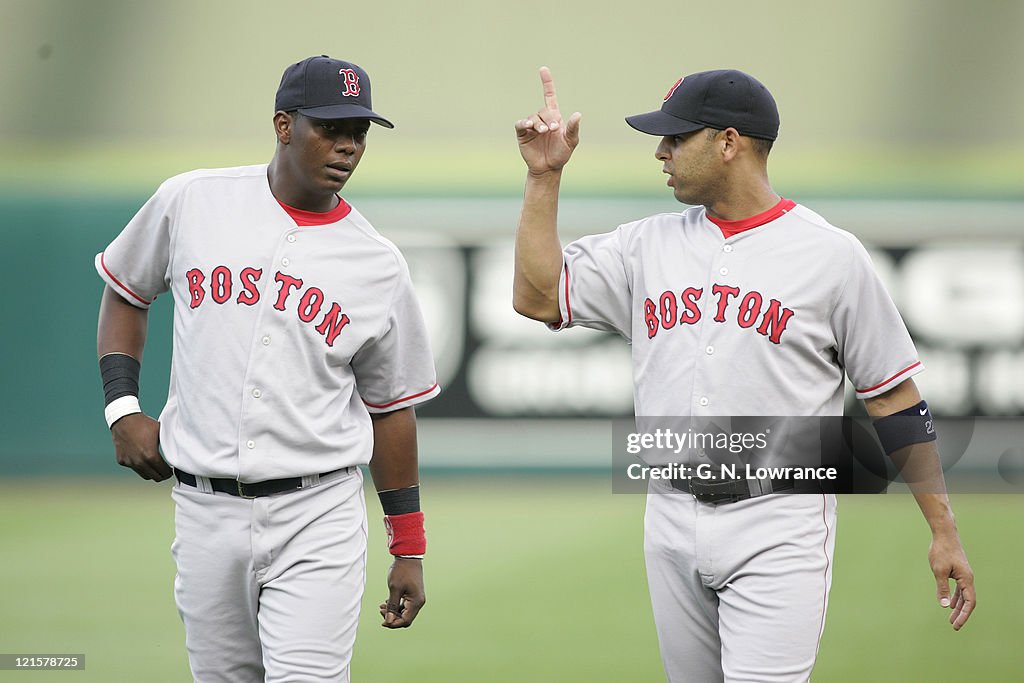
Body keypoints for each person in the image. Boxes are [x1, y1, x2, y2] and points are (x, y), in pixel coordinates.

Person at [512, 66, 975, 682]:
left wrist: (943, 531)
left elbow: (894, 398)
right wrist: (544, 178)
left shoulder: (830, 256)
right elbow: (537, 297)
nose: (661, 151)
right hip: (670, 513)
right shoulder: (646, 245)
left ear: (728, 143)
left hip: (778, 518)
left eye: (676, 138)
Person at [95, 55, 439, 682]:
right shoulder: (192, 200)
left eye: (358, 131)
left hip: (318, 511)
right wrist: (122, 407)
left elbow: (393, 411)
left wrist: (408, 547)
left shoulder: (378, 263)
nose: (348, 145)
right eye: (330, 127)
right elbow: (125, 288)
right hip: (203, 508)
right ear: (284, 125)